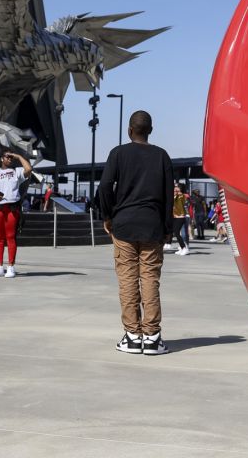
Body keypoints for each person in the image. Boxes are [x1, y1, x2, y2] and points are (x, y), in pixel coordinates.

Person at [99, 110, 174, 356]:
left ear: (129, 130)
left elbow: (105, 187)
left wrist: (108, 215)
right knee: (150, 279)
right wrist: (167, 229)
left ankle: (132, 337)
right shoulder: (162, 156)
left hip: (124, 225)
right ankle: (152, 337)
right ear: (150, 130)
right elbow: (167, 197)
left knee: (128, 280)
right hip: (152, 225)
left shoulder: (118, 154)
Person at [0, 150, 32, 277]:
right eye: (7, 157)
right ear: (1, 158)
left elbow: (29, 169)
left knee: (10, 237)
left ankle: (10, 267)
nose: (9, 159)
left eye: (11, 157)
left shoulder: (17, 171)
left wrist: (18, 156)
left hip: (12, 208)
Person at [170, 183, 190, 255]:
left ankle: (184, 248)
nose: (175, 189)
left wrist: (178, 191)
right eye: (174, 187)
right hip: (175, 216)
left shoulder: (182, 196)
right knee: (176, 232)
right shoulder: (174, 196)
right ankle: (182, 248)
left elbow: (185, 197)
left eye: (176, 187)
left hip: (181, 217)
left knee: (177, 233)